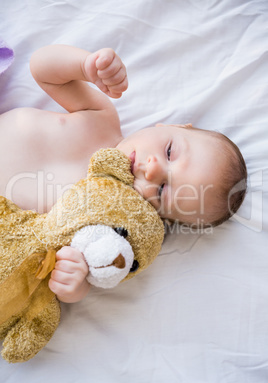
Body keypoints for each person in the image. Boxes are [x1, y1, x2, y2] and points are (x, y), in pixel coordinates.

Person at [0, 45, 247, 303]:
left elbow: (83, 269)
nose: (152, 168)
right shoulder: (102, 117)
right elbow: (42, 68)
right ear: (174, 126)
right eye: (170, 151)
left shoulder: (102, 223)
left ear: (161, 218)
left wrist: (75, 283)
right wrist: (86, 66)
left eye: (163, 189)